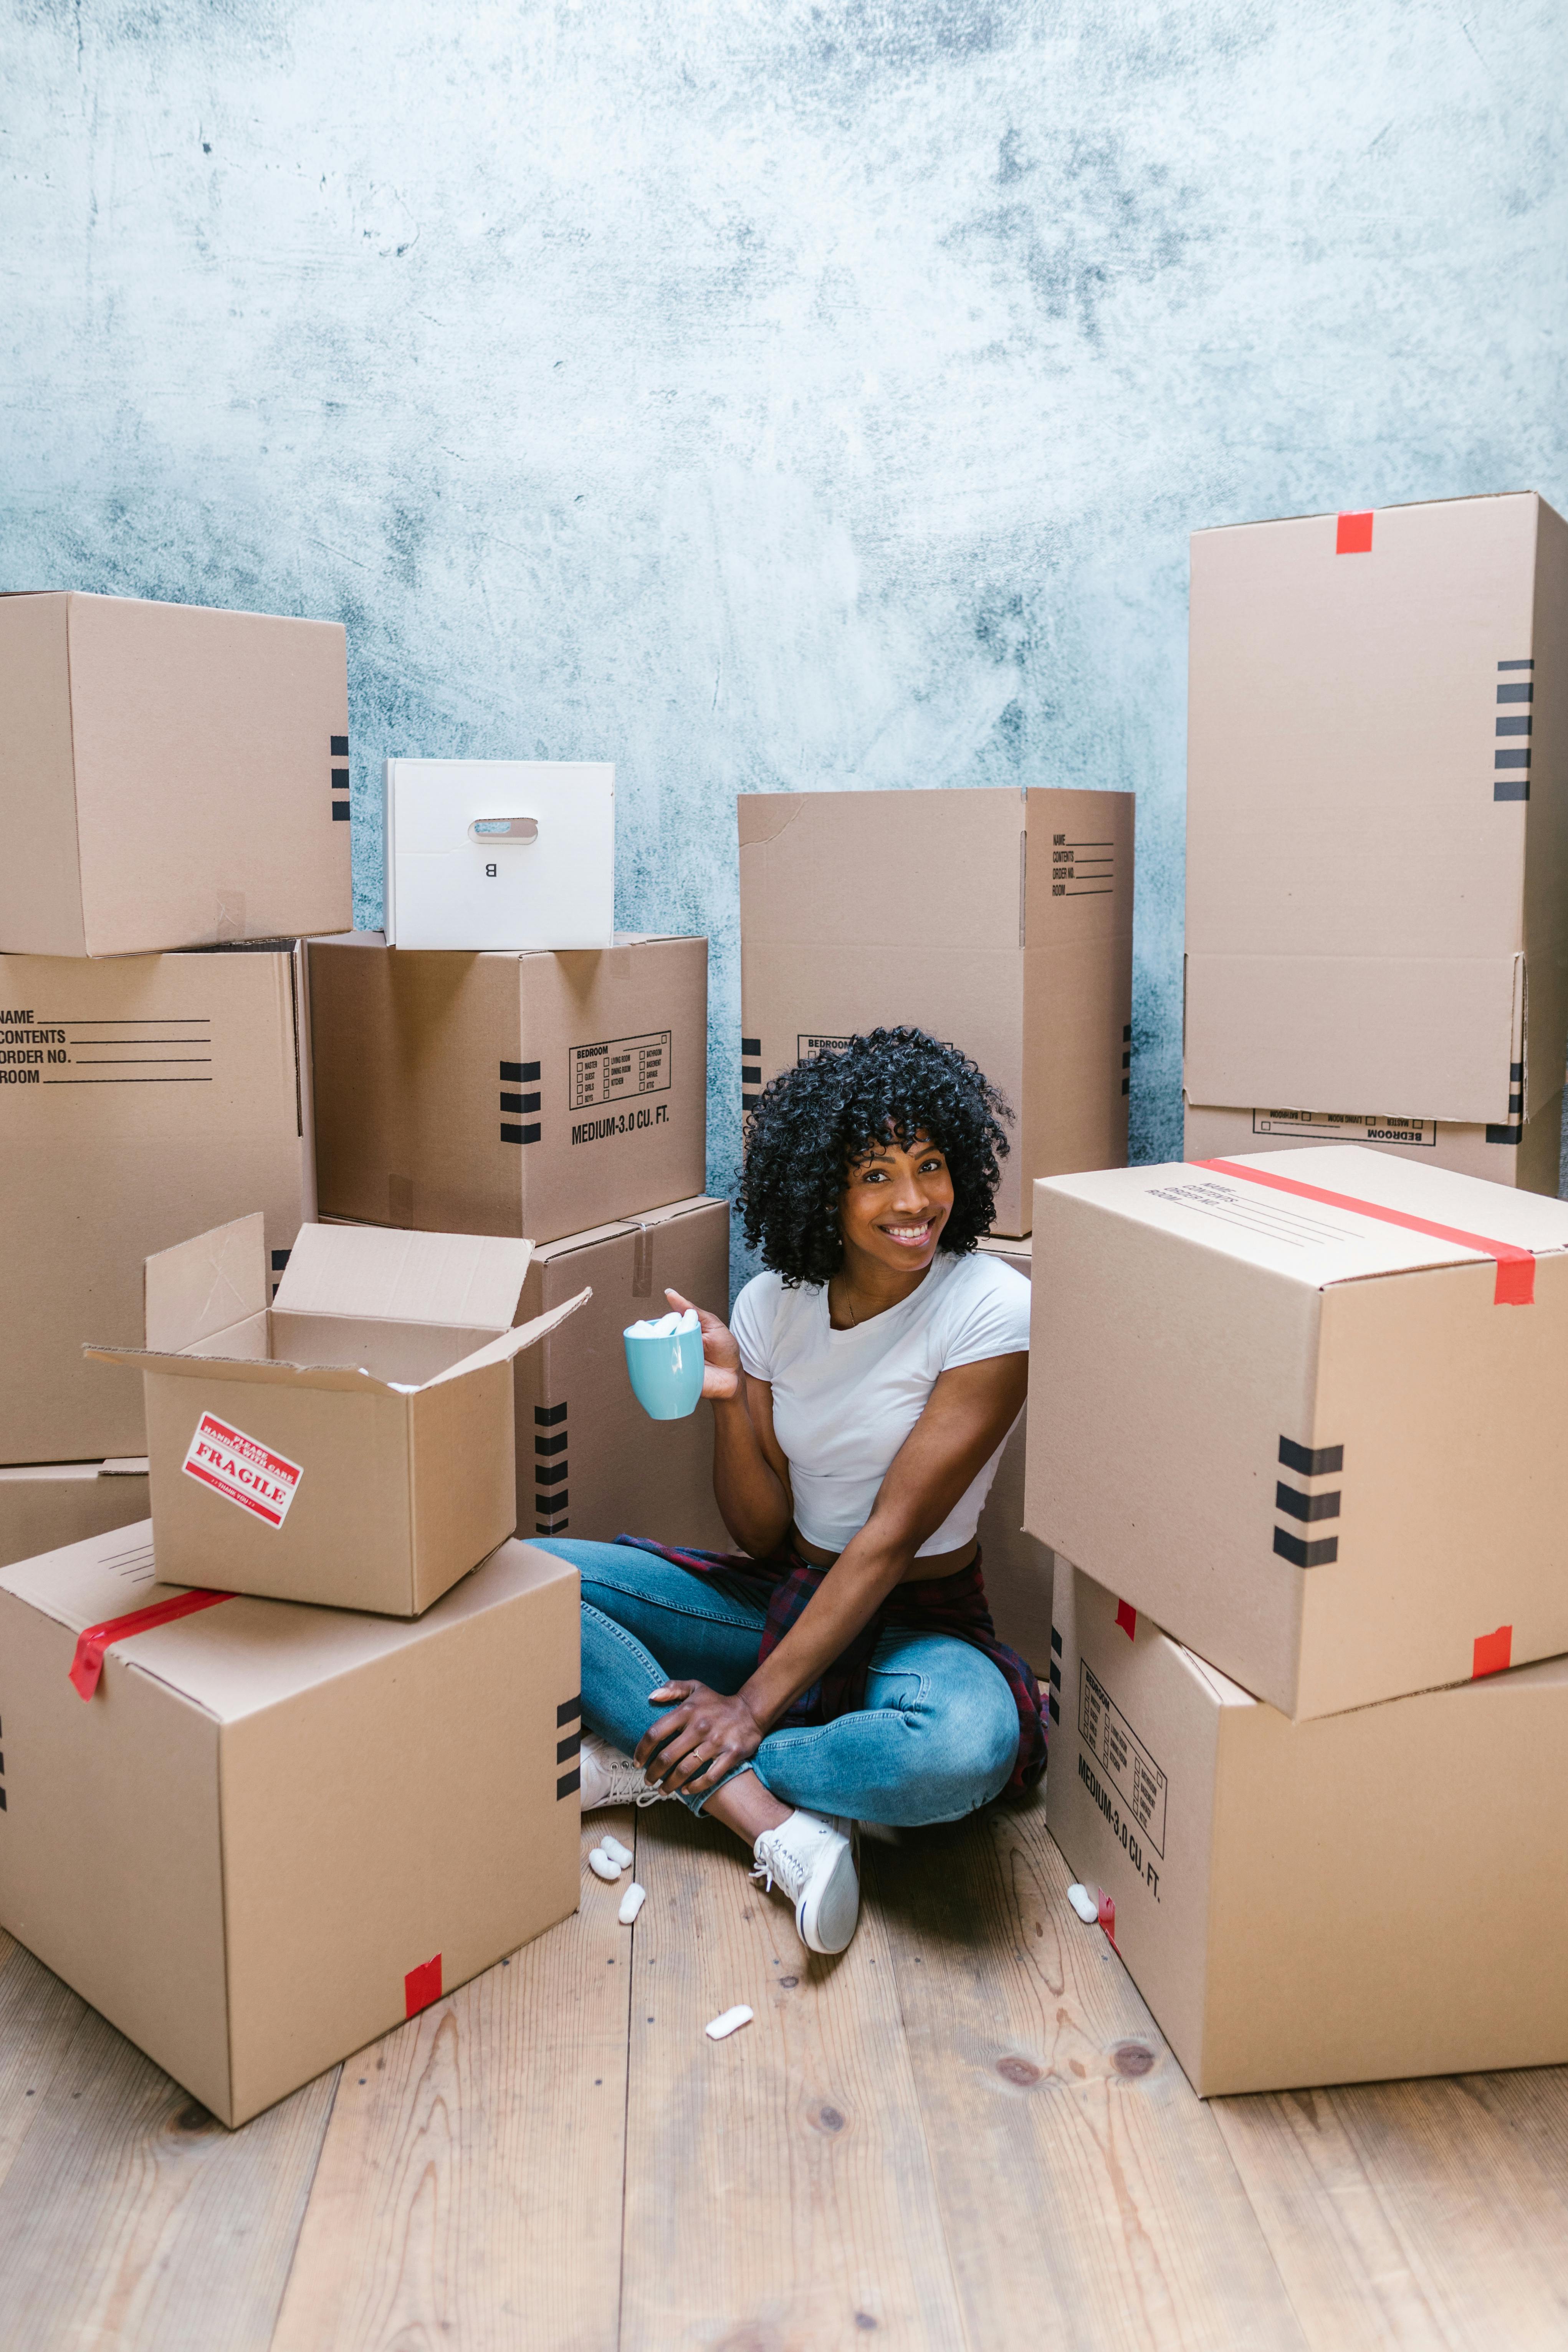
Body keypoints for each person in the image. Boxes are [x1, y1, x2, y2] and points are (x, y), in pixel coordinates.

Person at [536, 1027, 1041, 1958]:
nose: (914, 1202)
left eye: (931, 1166)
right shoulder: (773, 1304)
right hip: (785, 1598)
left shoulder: (990, 1307)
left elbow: (890, 1539)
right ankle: (765, 1816)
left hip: (918, 1619)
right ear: (824, 1190)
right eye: (876, 1175)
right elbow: (765, 1532)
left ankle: (656, 1758)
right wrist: (728, 1401)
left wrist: (748, 1710)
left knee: (965, 1750)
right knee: (530, 1576)